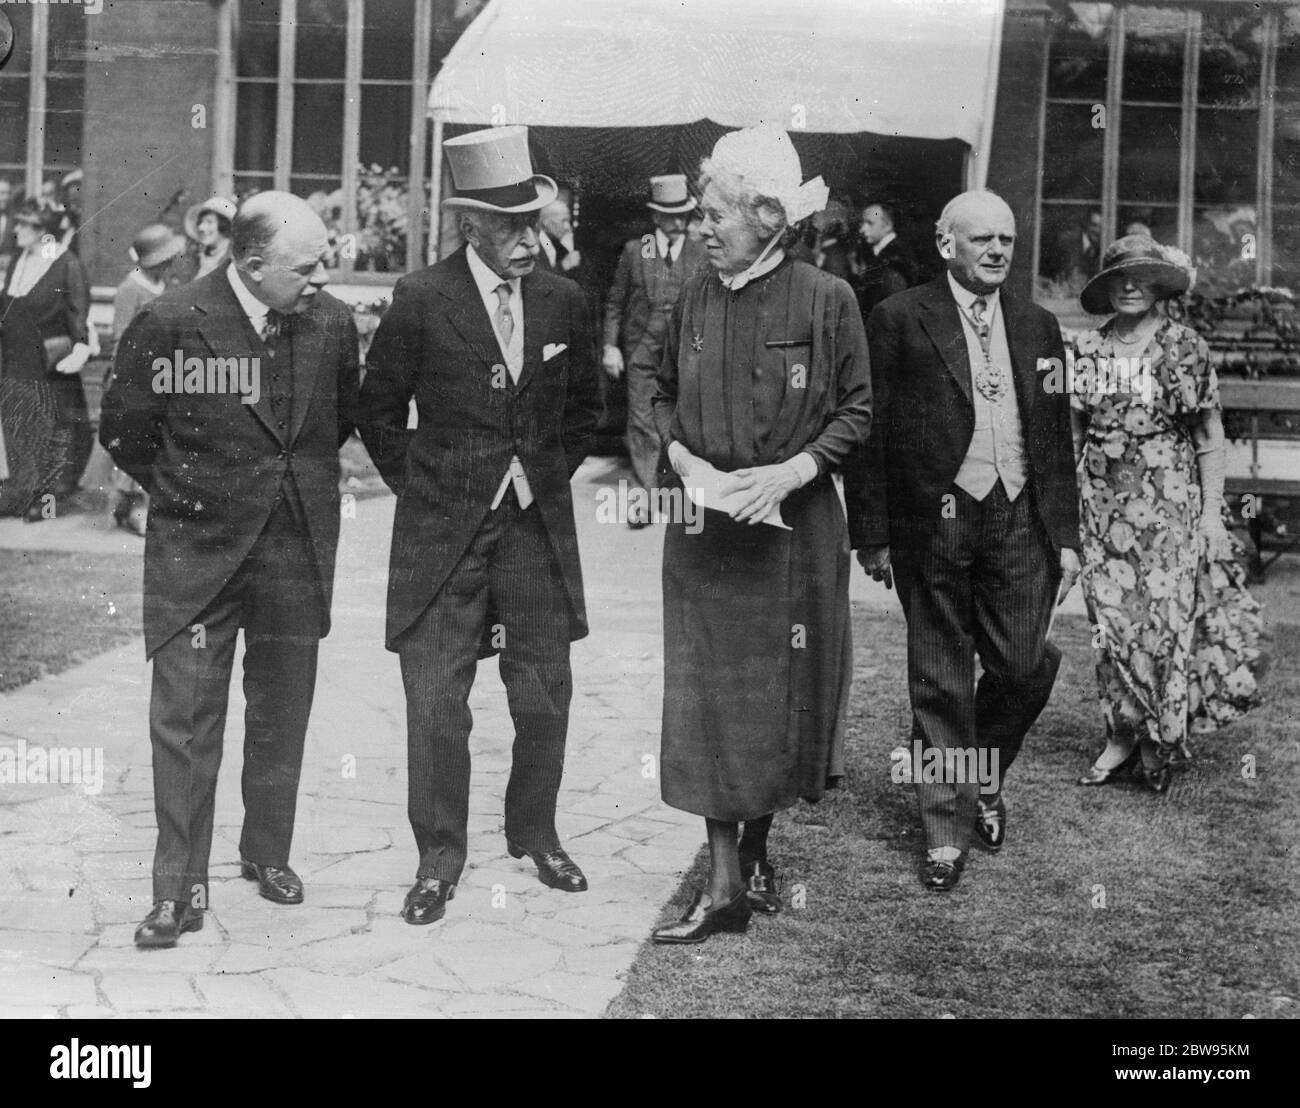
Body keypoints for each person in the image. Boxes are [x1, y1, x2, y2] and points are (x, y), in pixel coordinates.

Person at [100, 192, 360, 948]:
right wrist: (191, 498)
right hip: (198, 554)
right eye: (307, 268)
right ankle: (176, 890)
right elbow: (125, 430)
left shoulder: (332, 323)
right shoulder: (174, 320)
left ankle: (267, 853)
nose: (322, 280)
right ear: (251, 263)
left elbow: (334, 424)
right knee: (184, 722)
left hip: (295, 552)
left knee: (282, 712)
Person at [359, 126, 600, 927]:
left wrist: (536, 481)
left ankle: (536, 833)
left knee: (543, 696)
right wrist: (435, 491)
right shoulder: (422, 298)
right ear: (469, 225)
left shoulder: (566, 301)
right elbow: (379, 412)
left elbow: (586, 415)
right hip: (443, 538)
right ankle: (438, 857)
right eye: (510, 226)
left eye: (535, 221)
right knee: (437, 703)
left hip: (534, 535)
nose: (529, 238)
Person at [650, 125, 872, 944]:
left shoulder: (828, 298)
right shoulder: (695, 294)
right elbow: (661, 389)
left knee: (780, 700)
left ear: (768, 216)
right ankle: (721, 883)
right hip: (705, 537)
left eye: (715, 215)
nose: (701, 229)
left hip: (794, 537)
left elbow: (857, 410)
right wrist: (678, 452)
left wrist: (792, 473)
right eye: (701, 216)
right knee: (708, 699)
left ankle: (756, 850)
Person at [844, 190, 1081, 892]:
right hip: (933, 523)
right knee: (941, 680)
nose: (999, 251)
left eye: (1006, 240)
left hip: (1015, 517)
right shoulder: (898, 317)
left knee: (1023, 663)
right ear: (948, 244)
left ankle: (982, 773)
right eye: (983, 239)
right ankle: (945, 833)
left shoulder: (1038, 327)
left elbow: (1054, 437)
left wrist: (1065, 535)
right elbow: (869, 435)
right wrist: (874, 535)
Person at [1070, 235, 1262, 791]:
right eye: (1119, 277)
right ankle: (1121, 735)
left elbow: (1208, 435)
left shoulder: (1185, 347)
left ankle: (1161, 738)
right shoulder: (1086, 351)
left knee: (1163, 625)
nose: (1130, 286)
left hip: (1170, 511)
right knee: (1110, 624)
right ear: (1106, 287)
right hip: (1101, 511)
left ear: (1159, 285)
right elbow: (1073, 436)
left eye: (1142, 276)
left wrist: (1207, 518)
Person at [602, 174, 705, 527]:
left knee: (681, 427)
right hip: (642, 353)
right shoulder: (636, 250)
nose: (679, 223)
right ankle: (645, 501)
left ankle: (681, 498)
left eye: (684, 215)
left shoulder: (700, 252)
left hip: (685, 357)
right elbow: (615, 302)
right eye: (671, 215)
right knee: (642, 425)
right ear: (656, 217)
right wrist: (610, 346)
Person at [2, 201, 93, 517]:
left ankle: (47, 502)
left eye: (23, 225)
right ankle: (22, 493)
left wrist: (80, 347)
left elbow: (77, 311)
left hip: (47, 363)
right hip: (15, 359)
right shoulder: (18, 261)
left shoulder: (66, 263)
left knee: (50, 431)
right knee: (18, 428)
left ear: (42, 231)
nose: (15, 230)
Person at [105, 222, 187, 536]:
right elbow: (121, 337)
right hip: (137, 377)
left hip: (165, 375)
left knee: (160, 438)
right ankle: (134, 506)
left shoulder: (168, 284)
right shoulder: (130, 289)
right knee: (136, 437)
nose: (168, 264)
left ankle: (140, 505)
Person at [855, 199, 916, 317]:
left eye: (870, 223)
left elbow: (893, 306)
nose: (862, 229)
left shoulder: (896, 258)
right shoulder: (881, 253)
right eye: (862, 223)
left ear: (887, 225)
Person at [183, 196, 236, 281]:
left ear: (224, 224)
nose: (201, 227)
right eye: (200, 222)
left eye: (209, 222)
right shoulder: (198, 256)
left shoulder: (233, 261)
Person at [537, 191, 582, 277]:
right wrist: (562, 266)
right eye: (563, 220)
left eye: (568, 221)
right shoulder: (535, 246)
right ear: (546, 222)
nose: (568, 227)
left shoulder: (554, 243)